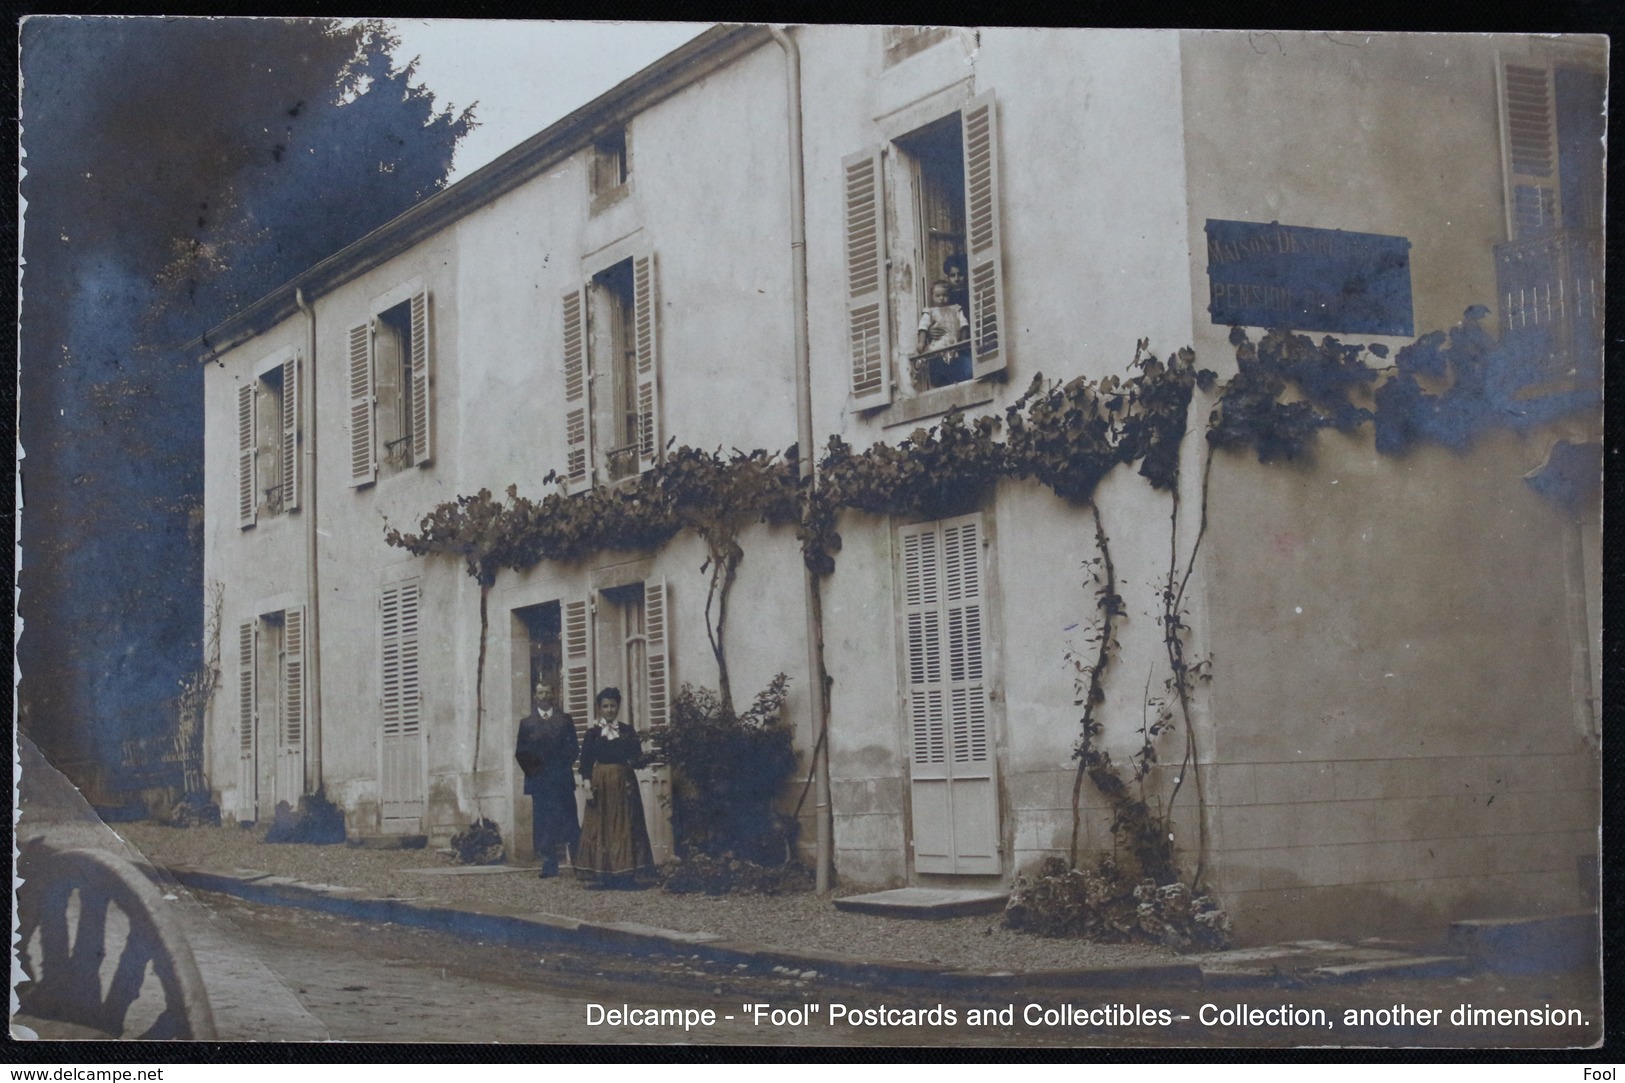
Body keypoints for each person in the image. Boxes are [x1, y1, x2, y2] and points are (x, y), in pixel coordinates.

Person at [573, 687, 654, 888]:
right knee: (601, 827)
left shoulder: (627, 731)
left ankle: (627, 874)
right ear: (599, 709)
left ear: (618, 707)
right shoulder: (592, 733)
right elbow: (585, 763)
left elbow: (635, 759)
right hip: (600, 783)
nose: (609, 710)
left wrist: (647, 758)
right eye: (605, 706)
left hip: (623, 782)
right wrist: (587, 785)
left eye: (613, 706)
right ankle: (603, 875)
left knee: (625, 824)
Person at [514, 678, 579, 877]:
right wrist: (538, 772)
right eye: (540, 693)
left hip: (561, 779)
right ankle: (549, 864)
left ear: (554, 695)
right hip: (540, 781)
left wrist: (559, 768)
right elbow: (521, 753)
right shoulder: (527, 724)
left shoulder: (565, 720)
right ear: (535, 696)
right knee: (544, 823)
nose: (544, 697)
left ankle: (578, 862)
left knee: (569, 820)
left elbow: (573, 748)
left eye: (548, 693)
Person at [915, 278, 971, 387]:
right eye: (938, 296)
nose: (941, 298)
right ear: (932, 297)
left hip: (953, 346)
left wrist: (963, 341)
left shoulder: (956, 309)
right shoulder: (930, 311)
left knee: (954, 367)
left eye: (945, 295)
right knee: (938, 367)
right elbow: (923, 326)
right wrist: (921, 342)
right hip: (938, 347)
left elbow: (964, 324)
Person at [943, 253, 970, 317]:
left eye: (960, 275)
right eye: (952, 275)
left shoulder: (970, 293)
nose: (957, 279)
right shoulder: (946, 295)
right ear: (947, 277)